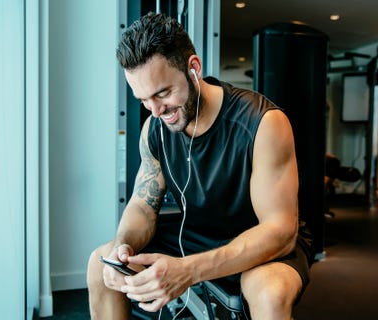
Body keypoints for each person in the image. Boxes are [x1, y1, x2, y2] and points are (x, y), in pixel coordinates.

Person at [87, 12, 313, 320]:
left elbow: (279, 231)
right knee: (101, 261)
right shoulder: (154, 129)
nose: (155, 111)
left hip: (259, 241)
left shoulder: (263, 123)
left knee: (269, 292)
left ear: (193, 68)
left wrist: (188, 271)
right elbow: (142, 205)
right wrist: (122, 246)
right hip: (196, 233)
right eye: (143, 100)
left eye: (163, 93)